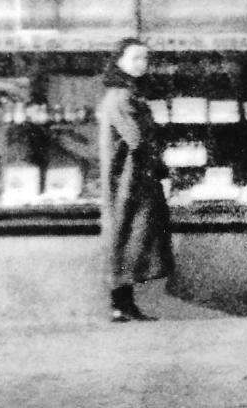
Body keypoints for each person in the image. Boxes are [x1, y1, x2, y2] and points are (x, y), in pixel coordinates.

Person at [98, 37, 174, 322]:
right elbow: (137, 139)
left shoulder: (128, 93)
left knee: (131, 236)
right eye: (135, 58)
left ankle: (124, 303)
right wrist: (160, 165)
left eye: (145, 59)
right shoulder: (121, 96)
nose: (142, 64)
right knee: (126, 235)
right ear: (119, 62)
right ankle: (119, 304)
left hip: (135, 177)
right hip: (126, 180)